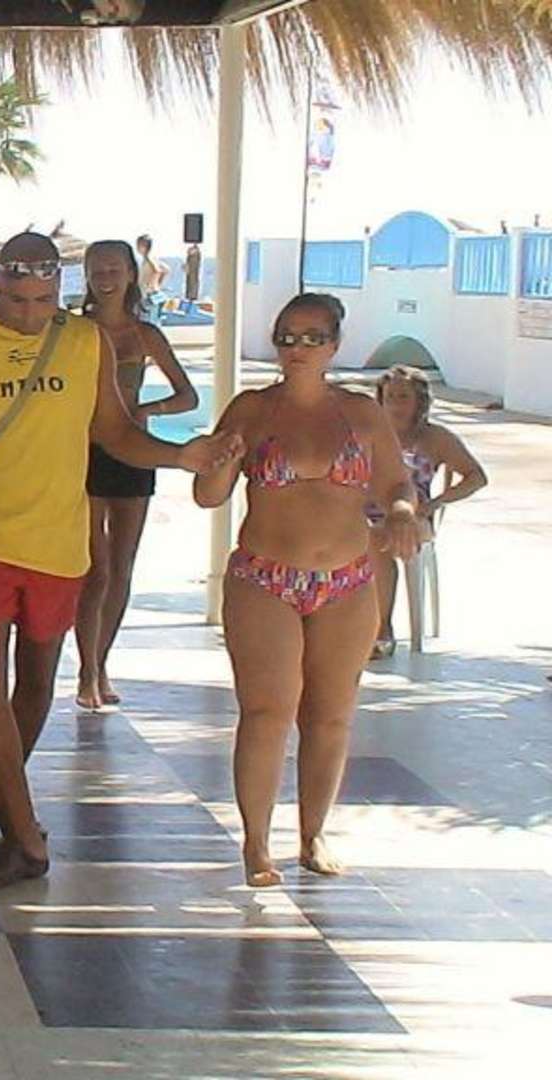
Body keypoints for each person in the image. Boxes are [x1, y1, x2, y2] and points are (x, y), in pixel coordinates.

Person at [0, 233, 234, 892]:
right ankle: (26, 839)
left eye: (44, 300)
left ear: (58, 288)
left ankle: (6, 793)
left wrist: (180, 455)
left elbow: (114, 431)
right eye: (18, 299)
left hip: (58, 540)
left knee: (37, 681)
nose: (30, 313)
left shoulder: (85, 342)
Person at [192, 293, 420, 887]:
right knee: (267, 710)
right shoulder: (252, 409)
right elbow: (208, 496)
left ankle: (313, 832)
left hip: (347, 579)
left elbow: (397, 483)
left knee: (331, 714)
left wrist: (401, 513)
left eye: (312, 338)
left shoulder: (361, 414)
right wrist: (223, 460)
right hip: (265, 576)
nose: (298, 348)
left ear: (335, 345)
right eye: (287, 337)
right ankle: (256, 841)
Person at [73, 240, 199, 710]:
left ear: (131, 274)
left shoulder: (146, 336)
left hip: (134, 452)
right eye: (96, 269)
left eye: (113, 268)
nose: (105, 277)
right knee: (95, 569)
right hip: (85, 451)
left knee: (122, 566)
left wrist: (146, 410)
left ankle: (101, 661)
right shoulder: (74, 332)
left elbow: (188, 396)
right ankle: (86, 669)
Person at [368, 366, 486, 657]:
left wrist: (435, 504)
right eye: (390, 396)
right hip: (364, 510)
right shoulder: (369, 433)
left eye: (403, 397)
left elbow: (476, 477)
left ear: (419, 401)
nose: (395, 404)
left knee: (378, 539)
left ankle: (382, 628)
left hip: (413, 515)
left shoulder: (435, 438)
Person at [135, 234, 167, 319]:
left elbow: (156, 270)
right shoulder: (152, 258)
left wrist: (151, 284)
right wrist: (158, 284)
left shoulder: (148, 259)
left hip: (149, 294)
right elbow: (166, 270)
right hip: (151, 293)